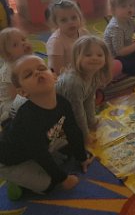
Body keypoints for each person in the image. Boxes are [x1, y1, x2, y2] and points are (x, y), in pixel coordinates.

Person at [0, 55, 93, 200]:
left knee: (69, 150)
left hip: (38, 145)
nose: (37, 72)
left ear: (54, 76)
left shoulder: (63, 102)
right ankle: (16, 180)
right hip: (8, 160)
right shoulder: (28, 119)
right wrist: (63, 179)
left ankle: (30, 170)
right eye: (28, 74)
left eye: (42, 68)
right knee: (49, 185)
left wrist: (82, 157)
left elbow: (72, 129)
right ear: (23, 92)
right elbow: (40, 154)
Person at [56, 36, 112, 143]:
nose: (95, 58)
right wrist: (85, 135)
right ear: (76, 57)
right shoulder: (74, 83)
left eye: (100, 55)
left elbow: (89, 99)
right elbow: (77, 112)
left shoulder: (94, 73)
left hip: (72, 108)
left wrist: (92, 121)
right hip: (57, 116)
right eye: (88, 55)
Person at [45, 0, 90, 75]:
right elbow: (57, 70)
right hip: (66, 76)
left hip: (83, 69)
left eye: (74, 18)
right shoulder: (56, 42)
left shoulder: (84, 32)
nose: (70, 22)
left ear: (80, 17)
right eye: (64, 20)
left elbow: (91, 51)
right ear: (56, 23)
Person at [0, 27, 32, 124]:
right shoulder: (9, 70)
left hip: (27, 92)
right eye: (15, 45)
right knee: (23, 105)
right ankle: (7, 118)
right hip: (10, 101)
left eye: (23, 39)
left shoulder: (28, 58)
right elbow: (15, 95)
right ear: (8, 54)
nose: (23, 43)